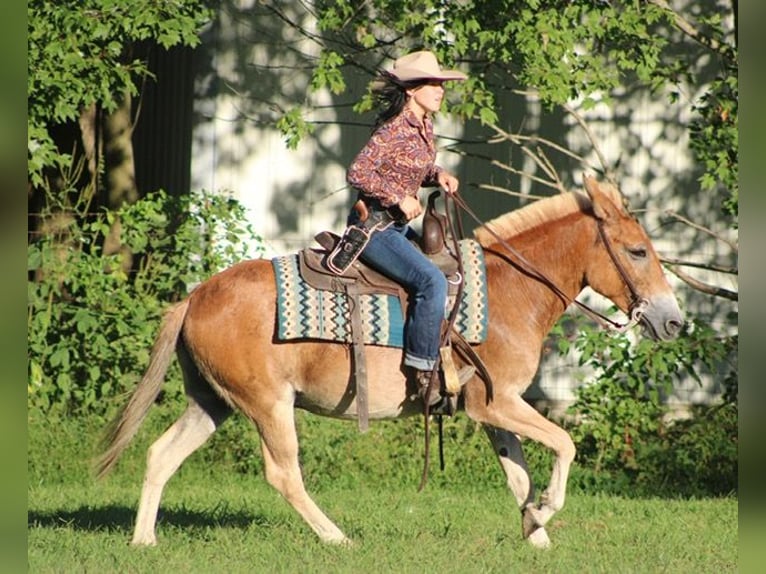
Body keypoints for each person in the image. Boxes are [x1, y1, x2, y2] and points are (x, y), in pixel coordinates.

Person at [344, 50, 473, 414]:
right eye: (433, 83)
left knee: (447, 270)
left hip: (398, 229)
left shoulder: (424, 125)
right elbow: (358, 172)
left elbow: (415, 165)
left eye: (441, 84)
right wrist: (397, 197)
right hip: (374, 230)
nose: (440, 90)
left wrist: (438, 174)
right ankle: (423, 373)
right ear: (412, 89)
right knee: (431, 281)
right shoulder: (394, 129)